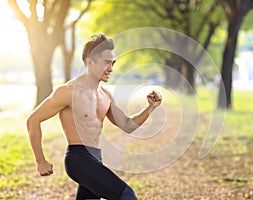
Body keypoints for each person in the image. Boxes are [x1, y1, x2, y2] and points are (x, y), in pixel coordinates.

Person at [26, 33, 162, 200]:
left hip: (96, 158)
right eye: (106, 63)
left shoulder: (106, 95)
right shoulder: (68, 92)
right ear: (90, 62)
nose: (111, 68)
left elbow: (127, 125)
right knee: (127, 196)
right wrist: (40, 160)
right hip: (79, 159)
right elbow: (33, 120)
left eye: (113, 63)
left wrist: (150, 107)